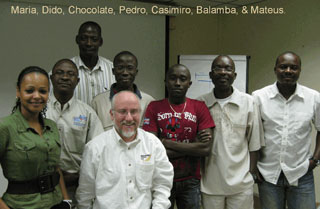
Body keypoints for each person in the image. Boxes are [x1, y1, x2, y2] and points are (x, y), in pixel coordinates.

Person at [76, 91, 174, 209]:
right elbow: (85, 196)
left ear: (140, 113)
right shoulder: (95, 148)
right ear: (112, 114)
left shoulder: (153, 145)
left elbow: (162, 185)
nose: (128, 118)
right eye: (122, 111)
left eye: (134, 112)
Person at [252, 51, 320, 209]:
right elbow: (252, 135)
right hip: (268, 174)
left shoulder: (314, 98)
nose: (288, 71)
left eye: (293, 67)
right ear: (275, 69)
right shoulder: (258, 97)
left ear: (299, 71)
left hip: (302, 172)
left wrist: (314, 160)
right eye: (283, 67)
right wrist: (253, 167)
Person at [142, 64, 215, 209]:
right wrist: (193, 146)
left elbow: (205, 149)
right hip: (161, 178)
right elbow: (151, 149)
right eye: (172, 78)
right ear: (165, 81)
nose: (177, 83)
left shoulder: (199, 107)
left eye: (182, 79)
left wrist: (165, 142)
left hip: (190, 179)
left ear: (189, 83)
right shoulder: (154, 107)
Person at [197, 55, 264, 209]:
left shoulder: (248, 102)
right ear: (210, 75)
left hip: (241, 185)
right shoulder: (200, 103)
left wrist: (251, 174)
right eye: (218, 68)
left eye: (228, 69)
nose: (223, 72)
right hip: (210, 184)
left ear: (234, 76)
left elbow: (254, 143)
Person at [0, 66, 71, 209]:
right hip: (22, 205)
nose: (37, 96)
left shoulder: (51, 126)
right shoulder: (5, 127)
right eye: (29, 90)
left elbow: (55, 167)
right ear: (18, 92)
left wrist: (66, 201)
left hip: (55, 203)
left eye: (43, 91)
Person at [46, 59, 104, 205]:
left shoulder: (87, 113)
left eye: (70, 74)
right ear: (52, 78)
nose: (65, 77)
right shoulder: (40, 110)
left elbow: (99, 151)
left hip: (77, 185)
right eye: (60, 73)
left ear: (77, 81)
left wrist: (80, 176)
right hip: (44, 186)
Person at [91, 51, 154, 130]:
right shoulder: (98, 102)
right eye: (120, 68)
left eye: (130, 68)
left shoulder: (149, 102)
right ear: (113, 71)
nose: (125, 73)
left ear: (136, 72)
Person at [71, 21, 115, 105]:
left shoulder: (113, 70)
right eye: (84, 38)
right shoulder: (62, 70)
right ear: (77, 40)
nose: (89, 43)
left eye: (94, 39)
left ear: (101, 41)